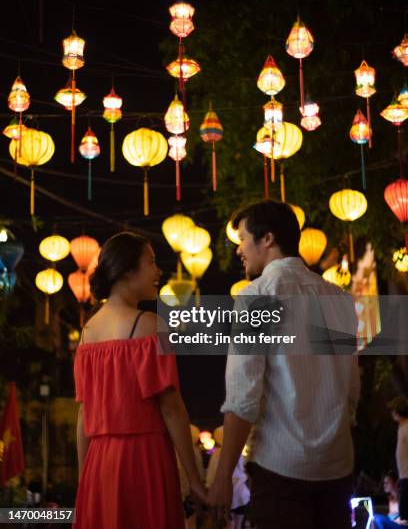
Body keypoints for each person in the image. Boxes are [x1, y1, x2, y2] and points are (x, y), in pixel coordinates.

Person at [207, 200, 360, 529]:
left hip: (281, 472)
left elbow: (243, 400)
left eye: (244, 240)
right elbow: (351, 392)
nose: (239, 251)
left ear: (268, 239)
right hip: (337, 470)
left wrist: (221, 479)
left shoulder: (256, 296)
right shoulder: (340, 300)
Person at [73, 232, 207, 529]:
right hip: (143, 459)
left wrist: (85, 478)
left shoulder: (87, 333)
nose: (159, 272)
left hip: (98, 462)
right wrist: (195, 480)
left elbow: (84, 415)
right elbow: (171, 407)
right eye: (151, 262)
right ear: (127, 270)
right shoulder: (149, 326)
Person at [387, 397, 408, 526]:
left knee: (406, 516)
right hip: (404, 475)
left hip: (407, 475)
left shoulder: (406, 428)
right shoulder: (402, 428)